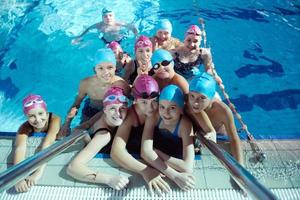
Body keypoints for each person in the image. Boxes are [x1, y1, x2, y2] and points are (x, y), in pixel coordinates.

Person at [111, 75, 171, 195]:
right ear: (135, 99)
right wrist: (146, 171)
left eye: (154, 101)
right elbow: (116, 152)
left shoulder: (163, 109)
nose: (150, 107)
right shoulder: (131, 116)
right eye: (144, 102)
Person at [67, 87, 130, 190]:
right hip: (96, 141)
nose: (118, 113)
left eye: (122, 108)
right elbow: (73, 168)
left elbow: (85, 125)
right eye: (113, 108)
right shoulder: (104, 136)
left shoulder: (102, 114)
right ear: (105, 110)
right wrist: (109, 179)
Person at [58, 48, 129, 138]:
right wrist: (67, 123)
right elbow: (76, 104)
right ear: (94, 69)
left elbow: (127, 105)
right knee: (78, 135)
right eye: (100, 68)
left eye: (110, 67)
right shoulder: (86, 84)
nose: (106, 72)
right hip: (91, 110)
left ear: (115, 68)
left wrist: (89, 124)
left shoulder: (121, 84)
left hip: (112, 113)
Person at [141, 84, 195, 191]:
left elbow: (187, 167)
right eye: (162, 107)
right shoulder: (154, 116)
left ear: (181, 109)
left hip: (171, 149)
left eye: (173, 108)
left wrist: (158, 153)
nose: (166, 113)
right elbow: (144, 152)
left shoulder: (185, 125)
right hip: (165, 149)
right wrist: (175, 176)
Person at [187, 72, 243, 164]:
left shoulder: (223, 111)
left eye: (202, 98)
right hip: (201, 137)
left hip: (220, 137)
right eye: (192, 96)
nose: (195, 103)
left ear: (211, 97)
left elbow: (234, 139)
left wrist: (240, 165)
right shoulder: (188, 105)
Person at [13, 94, 61, 193]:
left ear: (46, 112)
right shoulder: (24, 127)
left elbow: (48, 144)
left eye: (40, 113)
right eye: (31, 116)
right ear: (26, 116)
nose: (38, 120)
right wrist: (18, 177)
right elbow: (20, 148)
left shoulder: (55, 119)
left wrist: (38, 173)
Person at [71, 8, 138, 45]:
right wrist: (79, 37)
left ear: (114, 17)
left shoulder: (118, 24)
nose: (108, 18)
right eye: (105, 16)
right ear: (102, 18)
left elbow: (132, 27)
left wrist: (136, 36)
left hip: (120, 40)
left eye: (110, 15)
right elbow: (88, 29)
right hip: (106, 41)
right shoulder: (99, 25)